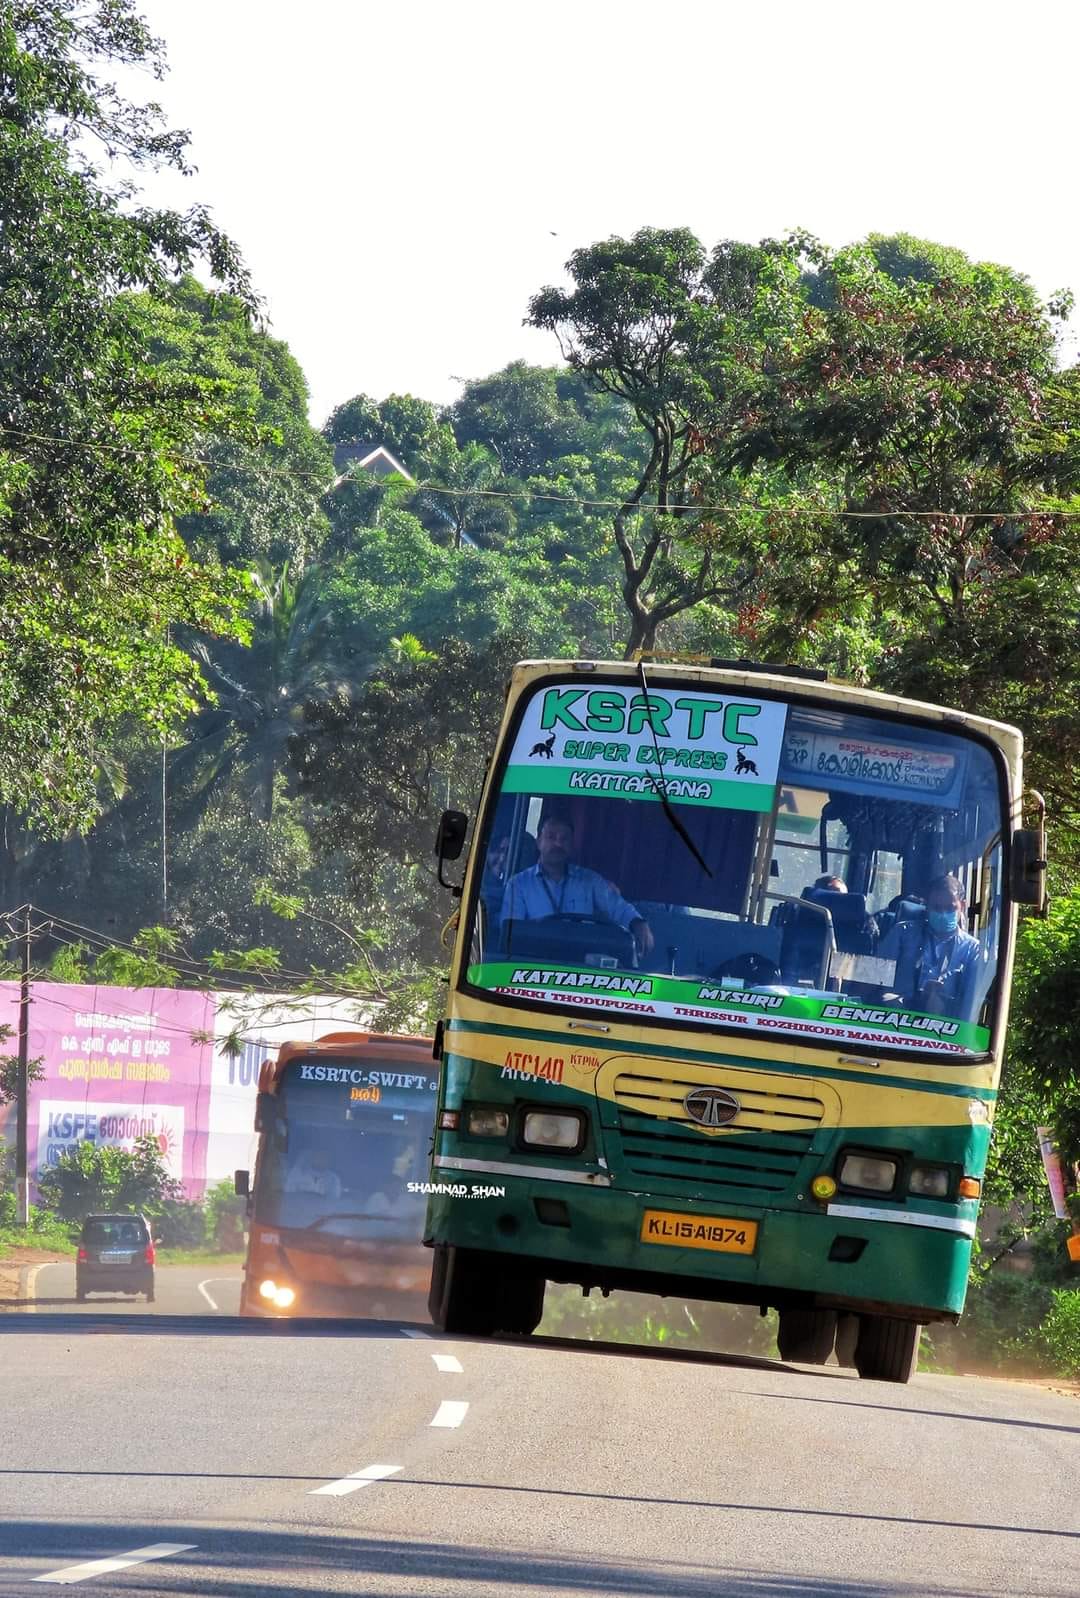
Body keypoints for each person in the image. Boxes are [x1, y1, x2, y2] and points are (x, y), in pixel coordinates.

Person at [500, 812, 654, 955]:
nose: (558, 844)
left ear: (572, 845)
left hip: (581, 968)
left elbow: (619, 909)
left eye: (564, 838)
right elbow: (511, 936)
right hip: (535, 965)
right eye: (551, 837)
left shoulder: (590, 881)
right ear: (539, 842)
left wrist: (638, 923)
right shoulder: (518, 885)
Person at [881, 872, 982, 1018]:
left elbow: (971, 1006)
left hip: (945, 1028)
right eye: (936, 907)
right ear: (927, 906)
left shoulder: (973, 950)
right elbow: (874, 981)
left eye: (950, 908)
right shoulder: (901, 934)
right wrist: (887, 998)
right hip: (895, 1020)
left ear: (963, 906)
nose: (942, 913)